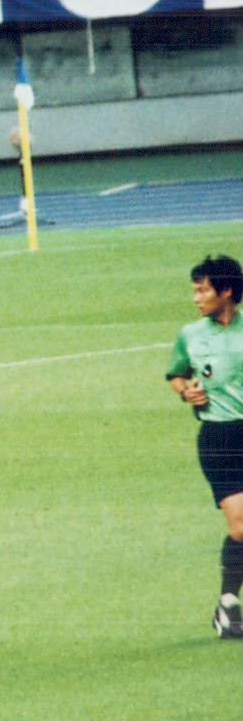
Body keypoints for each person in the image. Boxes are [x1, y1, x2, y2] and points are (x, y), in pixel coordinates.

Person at [164, 254, 243, 639]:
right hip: (219, 439)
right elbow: (176, 374)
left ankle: (227, 605)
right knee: (241, 524)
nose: (197, 298)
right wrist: (186, 392)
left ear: (225, 292)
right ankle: (229, 604)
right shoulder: (190, 335)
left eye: (203, 290)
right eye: (195, 291)